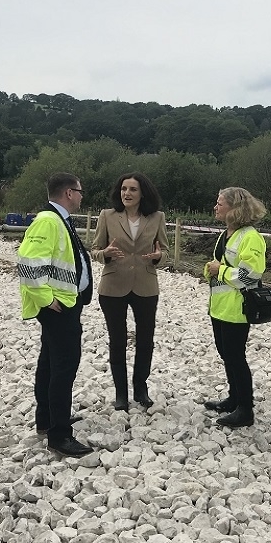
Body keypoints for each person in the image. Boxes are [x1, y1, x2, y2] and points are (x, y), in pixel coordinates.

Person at [17, 172, 94, 458]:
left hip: (64, 302)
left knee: (50, 363)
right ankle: (59, 435)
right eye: (80, 191)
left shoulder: (58, 219)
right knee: (64, 367)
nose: (82, 196)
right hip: (59, 305)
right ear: (69, 193)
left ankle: (47, 420)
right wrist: (46, 299)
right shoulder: (48, 221)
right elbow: (27, 263)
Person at [90, 172, 169, 410]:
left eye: (133, 189)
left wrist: (158, 257)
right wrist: (105, 254)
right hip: (113, 285)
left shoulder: (157, 217)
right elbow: (94, 249)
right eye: (124, 189)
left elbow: (165, 251)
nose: (127, 193)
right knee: (118, 340)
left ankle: (141, 388)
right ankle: (121, 393)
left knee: (146, 340)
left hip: (145, 285)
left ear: (142, 193)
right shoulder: (107, 216)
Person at [202, 187, 267, 428]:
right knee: (226, 353)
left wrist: (222, 271)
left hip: (237, 308)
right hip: (219, 307)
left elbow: (252, 274)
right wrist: (211, 270)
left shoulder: (250, 236)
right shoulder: (225, 235)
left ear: (234, 208)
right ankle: (234, 398)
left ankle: (245, 409)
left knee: (236, 357)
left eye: (220, 203)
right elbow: (215, 265)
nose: (216, 207)